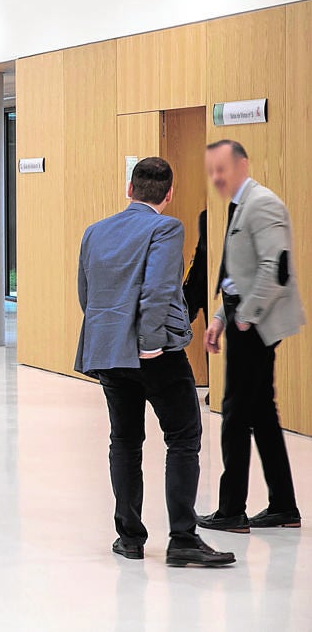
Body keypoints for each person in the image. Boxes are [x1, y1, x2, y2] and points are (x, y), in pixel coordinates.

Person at [75, 156, 234, 568]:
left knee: (124, 441)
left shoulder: (95, 231)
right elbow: (160, 289)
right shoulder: (166, 227)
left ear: (130, 189)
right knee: (183, 438)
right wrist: (147, 342)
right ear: (169, 193)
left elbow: (86, 295)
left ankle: (129, 538)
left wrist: (110, 337)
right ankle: (182, 538)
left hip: (109, 352)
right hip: (154, 353)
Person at [198, 140, 305, 533]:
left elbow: (275, 268)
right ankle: (284, 506)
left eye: (222, 168)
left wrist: (245, 317)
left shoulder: (264, 203)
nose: (216, 177)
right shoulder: (240, 205)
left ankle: (231, 510)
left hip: (256, 327)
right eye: (211, 170)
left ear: (242, 164)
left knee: (235, 413)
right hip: (243, 321)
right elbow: (235, 273)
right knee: (261, 412)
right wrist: (220, 318)